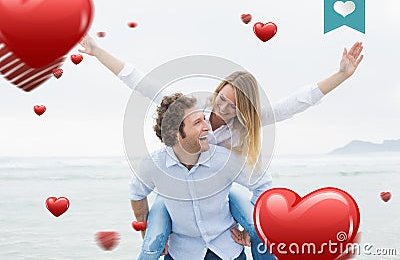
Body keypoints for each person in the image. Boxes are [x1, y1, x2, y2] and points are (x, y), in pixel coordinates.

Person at [79, 36, 364, 259]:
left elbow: (295, 103)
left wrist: (341, 75)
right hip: (177, 191)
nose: (223, 107)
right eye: (222, 97)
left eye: (232, 105)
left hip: (219, 195)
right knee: (153, 241)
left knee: (259, 231)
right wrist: (96, 50)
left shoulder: (243, 125)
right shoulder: (190, 109)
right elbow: (140, 83)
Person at [130, 92, 271, 259]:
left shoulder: (224, 160)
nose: (208, 127)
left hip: (226, 250)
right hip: (181, 253)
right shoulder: (154, 165)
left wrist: (249, 227)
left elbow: (263, 184)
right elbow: (137, 194)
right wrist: (148, 231)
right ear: (175, 132)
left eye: (204, 119)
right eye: (198, 122)